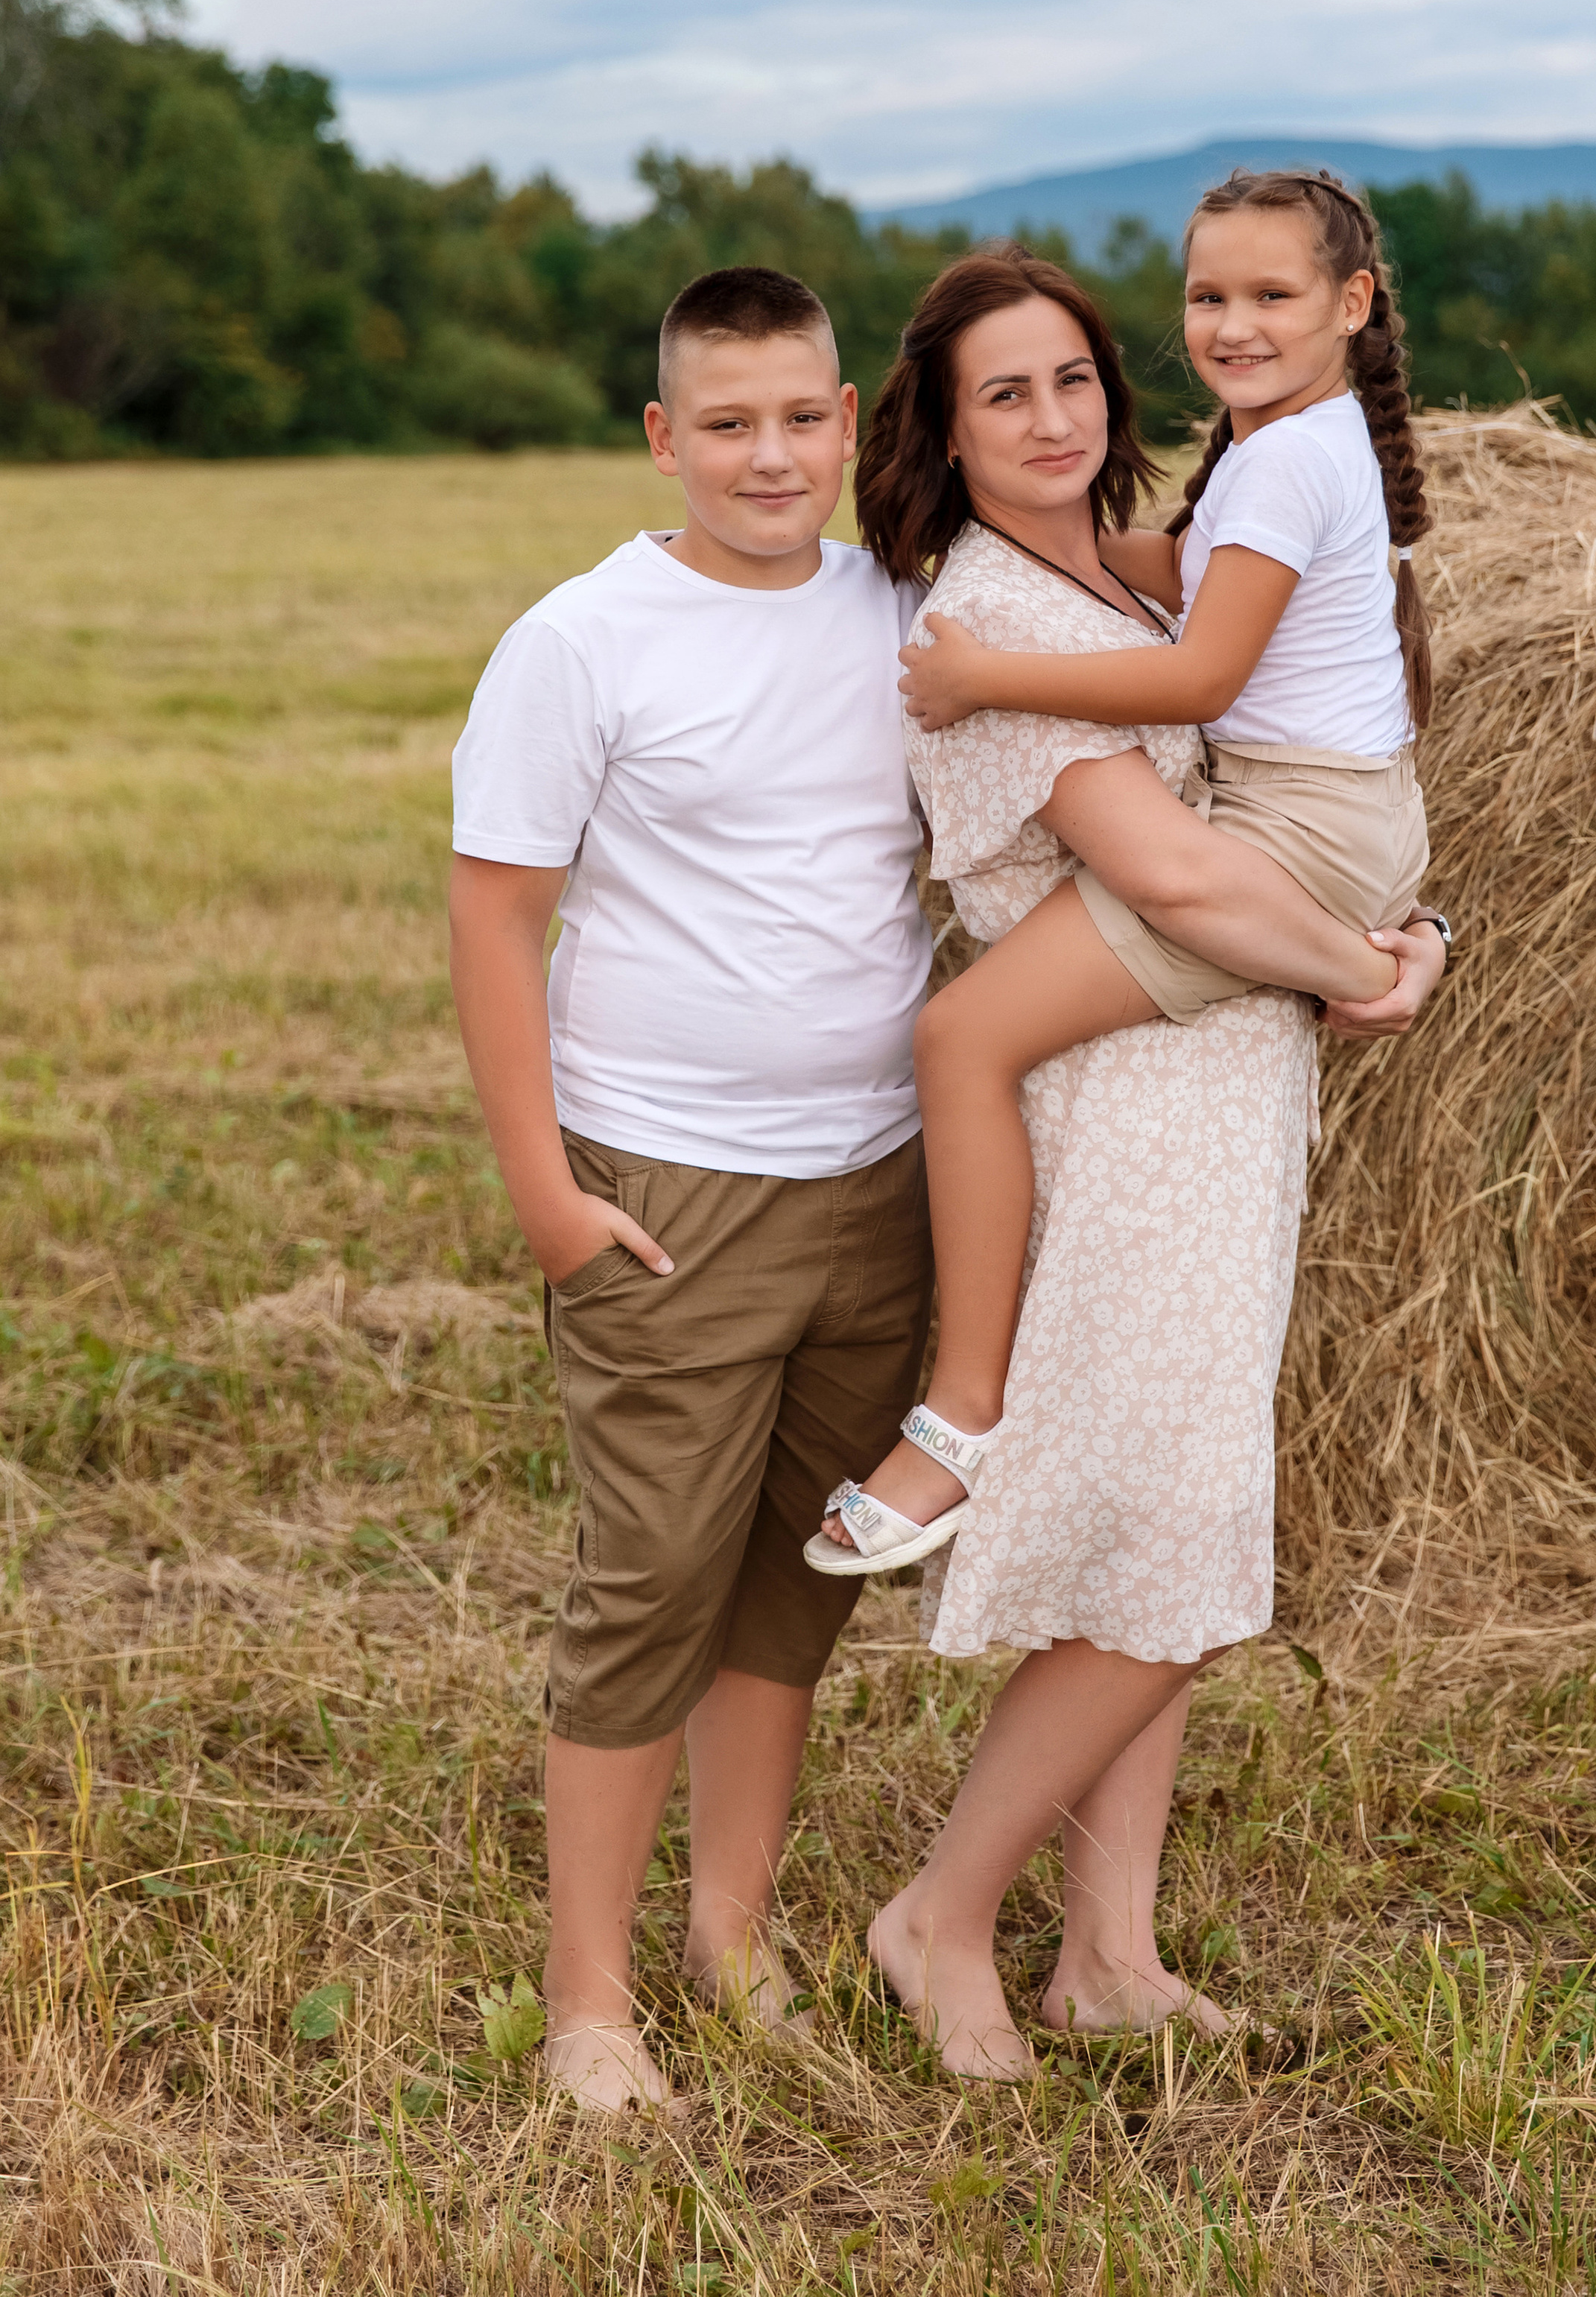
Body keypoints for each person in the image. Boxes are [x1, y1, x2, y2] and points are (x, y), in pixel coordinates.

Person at [444, 259, 1427, 2115]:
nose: (768, 456)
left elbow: (1187, 625)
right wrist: (545, 1197)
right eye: (726, 424)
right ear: (663, 439)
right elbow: (495, 916)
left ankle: (733, 1949)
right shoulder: (589, 639)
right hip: (672, 1174)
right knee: (649, 1580)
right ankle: (592, 2001)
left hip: (877, 1178)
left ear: (848, 425)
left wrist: (1394, 890)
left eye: (800, 418)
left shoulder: (895, 602)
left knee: (784, 1598)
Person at [820, 245, 1445, 2077]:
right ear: (940, 427)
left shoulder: (1115, 573)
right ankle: (938, 1917)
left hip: (1213, 1082)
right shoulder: (989, 620)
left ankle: (1106, 1951)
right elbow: (1168, 876)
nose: (1049, 418)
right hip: (1127, 1104)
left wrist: (1351, 943)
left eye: (1073, 381)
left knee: (1151, 1540)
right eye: (999, 393)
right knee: (1168, 1540)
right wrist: (1362, 968)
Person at [808, 175, 1441, 1577]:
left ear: (1353, 307)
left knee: (960, 1034)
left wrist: (982, 672)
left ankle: (962, 1416)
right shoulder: (1288, 446)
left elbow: (1204, 665)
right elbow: (1172, 571)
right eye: (1208, 297)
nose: (1230, 324)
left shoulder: (1278, 458)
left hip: (1298, 831)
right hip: (1346, 821)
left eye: (1272, 296)